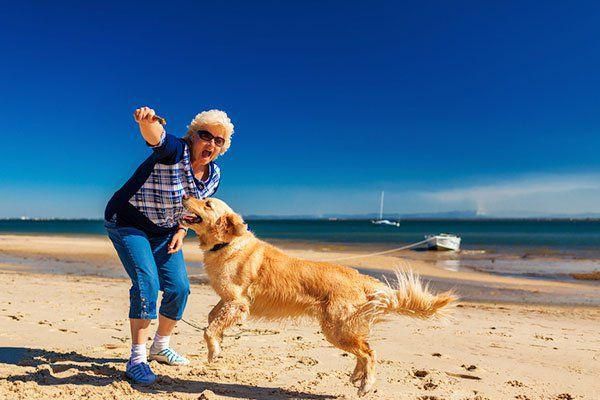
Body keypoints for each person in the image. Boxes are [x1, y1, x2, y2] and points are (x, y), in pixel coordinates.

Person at [104, 106, 234, 384]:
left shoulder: (214, 176)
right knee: (146, 283)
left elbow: (195, 209)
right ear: (192, 136)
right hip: (128, 221)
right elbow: (157, 137)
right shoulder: (175, 151)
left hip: (165, 230)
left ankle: (160, 347)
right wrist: (147, 122)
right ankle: (137, 358)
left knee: (179, 288)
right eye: (205, 135)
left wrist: (182, 229)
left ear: (222, 148)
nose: (210, 143)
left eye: (218, 140)